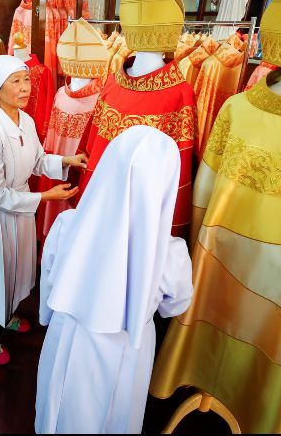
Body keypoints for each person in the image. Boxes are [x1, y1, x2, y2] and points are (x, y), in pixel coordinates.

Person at [35, 125, 194, 434]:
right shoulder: (169, 256)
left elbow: (50, 286)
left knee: (55, 406)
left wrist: (47, 315)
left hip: (65, 334)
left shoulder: (67, 225)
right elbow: (176, 305)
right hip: (125, 350)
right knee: (112, 416)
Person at [0, 55, 87, 365]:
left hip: (20, 207)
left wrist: (66, 161)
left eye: (26, 79)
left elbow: (38, 160)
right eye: (15, 81)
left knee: (16, 267)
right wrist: (45, 196)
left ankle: (6, 315)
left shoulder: (25, 121)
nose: (24, 87)